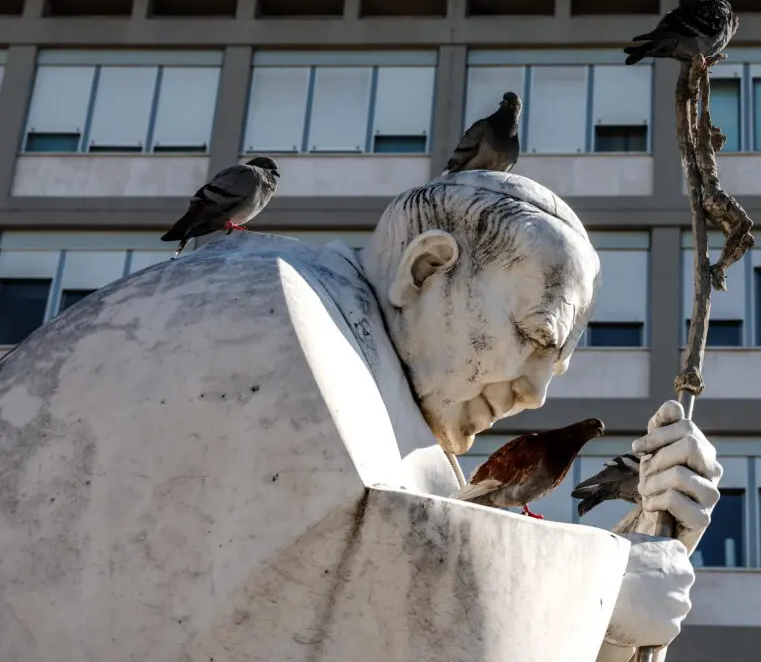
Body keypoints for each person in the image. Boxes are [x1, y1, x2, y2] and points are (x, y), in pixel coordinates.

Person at [0, 170, 722, 662]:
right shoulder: (264, 301)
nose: (534, 393)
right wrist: (604, 588)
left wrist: (626, 600)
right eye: (533, 339)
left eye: (554, 365)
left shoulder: (395, 405)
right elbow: (350, 582)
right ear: (425, 269)